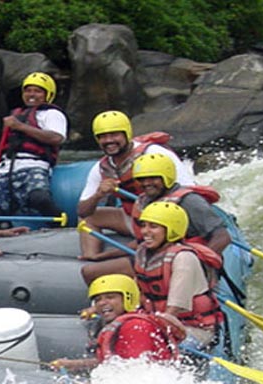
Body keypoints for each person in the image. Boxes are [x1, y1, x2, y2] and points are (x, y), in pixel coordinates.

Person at [80, 153, 231, 284]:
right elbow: (142, 243)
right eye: (142, 179)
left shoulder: (190, 201)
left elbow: (222, 236)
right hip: (152, 257)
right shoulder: (145, 200)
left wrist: (195, 264)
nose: (146, 183)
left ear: (167, 176)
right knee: (90, 270)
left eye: (153, 179)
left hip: (177, 260)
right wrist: (102, 256)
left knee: (91, 272)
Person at [77, 110, 194, 261]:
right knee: (89, 218)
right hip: (134, 218)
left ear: (127, 134)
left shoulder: (155, 153)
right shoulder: (101, 167)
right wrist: (98, 195)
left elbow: (188, 192)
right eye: (103, 137)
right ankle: (90, 258)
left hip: (165, 221)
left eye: (114, 135)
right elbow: (82, 211)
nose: (108, 140)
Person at [131, 202, 224, 350]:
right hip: (159, 323)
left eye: (153, 227)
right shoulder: (142, 254)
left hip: (195, 330)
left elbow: (173, 310)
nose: (145, 231)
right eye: (144, 225)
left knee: (149, 346)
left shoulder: (183, 258)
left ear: (171, 230)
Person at [0, 72, 67, 229]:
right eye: (28, 90)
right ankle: (5, 232)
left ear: (48, 94)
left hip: (34, 164)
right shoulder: (16, 115)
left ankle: (60, 224)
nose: (31, 95)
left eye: (37, 91)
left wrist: (20, 126)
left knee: (39, 198)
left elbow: (56, 138)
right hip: (6, 168)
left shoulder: (51, 114)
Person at [50, 274, 185, 372]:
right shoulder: (119, 325)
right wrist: (72, 365)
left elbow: (136, 370)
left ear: (128, 298)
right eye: (98, 299)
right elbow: (115, 363)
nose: (102, 303)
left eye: (110, 297)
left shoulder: (136, 327)